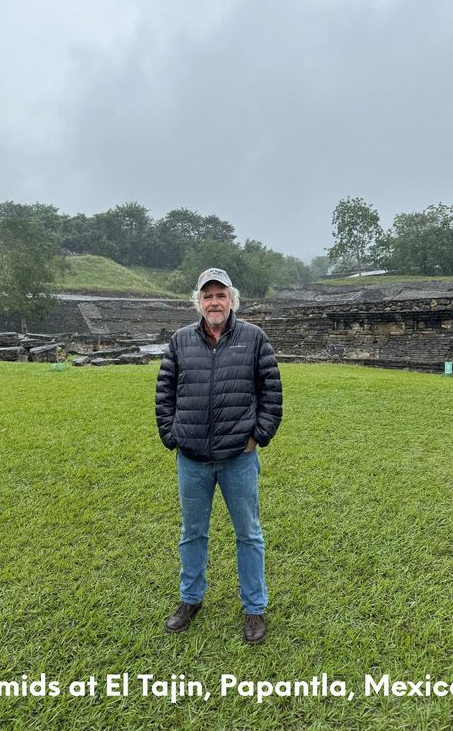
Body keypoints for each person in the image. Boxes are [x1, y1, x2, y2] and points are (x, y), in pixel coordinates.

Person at [155, 267, 283, 643]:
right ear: (198, 301)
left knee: (249, 534)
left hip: (238, 458)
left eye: (221, 295)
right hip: (192, 458)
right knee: (192, 533)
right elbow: (165, 393)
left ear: (232, 300)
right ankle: (190, 599)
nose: (214, 302)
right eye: (207, 295)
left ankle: (254, 608)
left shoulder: (254, 338)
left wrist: (258, 436)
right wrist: (172, 435)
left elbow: (271, 393)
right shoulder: (180, 341)